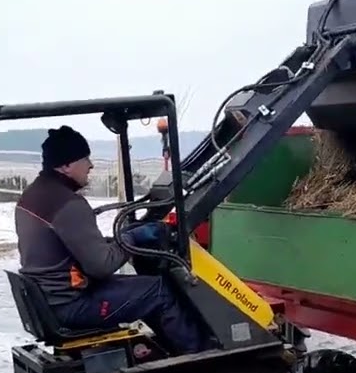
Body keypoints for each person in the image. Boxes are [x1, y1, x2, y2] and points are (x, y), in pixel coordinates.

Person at [13, 125, 210, 355]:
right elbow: (101, 266)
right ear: (66, 165)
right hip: (71, 304)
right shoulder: (68, 205)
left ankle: (166, 352)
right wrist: (132, 238)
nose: (90, 165)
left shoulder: (32, 196)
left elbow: (69, 247)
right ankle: (202, 361)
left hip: (50, 299)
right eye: (85, 158)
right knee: (159, 291)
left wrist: (114, 241)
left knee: (143, 289)